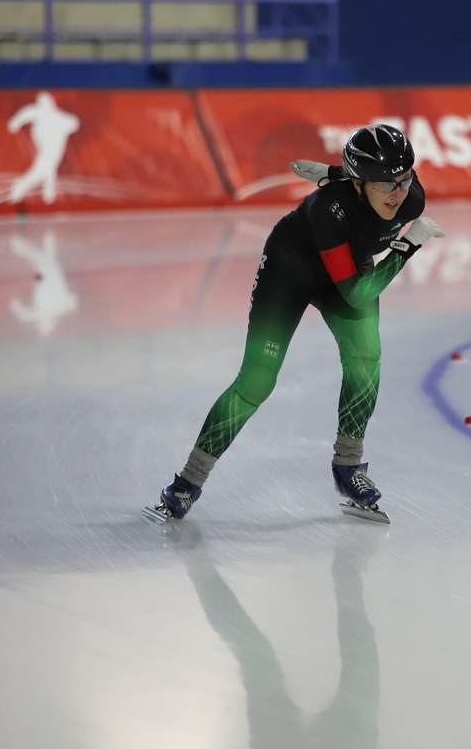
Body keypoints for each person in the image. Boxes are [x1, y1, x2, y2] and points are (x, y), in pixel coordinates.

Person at [151, 123, 444, 522]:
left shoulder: (411, 200)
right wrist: (407, 246)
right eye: (386, 184)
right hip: (293, 268)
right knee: (257, 380)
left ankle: (348, 467)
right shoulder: (326, 208)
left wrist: (333, 170)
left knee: (366, 357)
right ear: (359, 185)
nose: (399, 192)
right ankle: (187, 482)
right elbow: (357, 294)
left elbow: (356, 282)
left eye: (405, 178)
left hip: (347, 266)